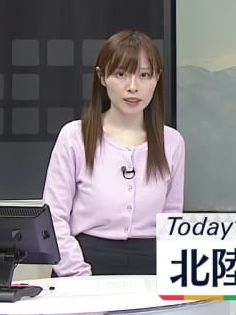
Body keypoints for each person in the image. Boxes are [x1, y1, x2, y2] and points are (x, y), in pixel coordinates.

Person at [42, 29, 185, 276]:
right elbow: (53, 219)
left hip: (152, 269)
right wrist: (79, 276)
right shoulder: (74, 136)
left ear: (157, 78)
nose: (133, 87)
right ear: (102, 76)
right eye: (121, 74)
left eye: (144, 75)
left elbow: (172, 220)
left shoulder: (172, 142)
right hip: (83, 264)